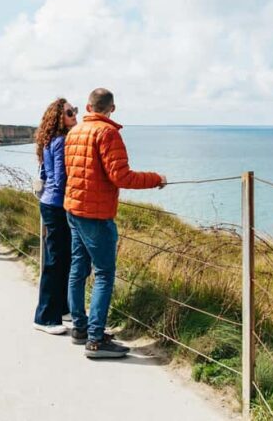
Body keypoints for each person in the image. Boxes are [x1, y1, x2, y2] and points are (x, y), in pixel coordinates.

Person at [65, 88, 166, 359]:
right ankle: (96, 340)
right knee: (104, 274)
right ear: (112, 108)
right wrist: (156, 178)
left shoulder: (74, 132)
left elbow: (72, 171)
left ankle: (80, 328)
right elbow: (121, 176)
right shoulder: (108, 133)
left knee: (78, 269)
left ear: (88, 106)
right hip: (96, 214)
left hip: (74, 209)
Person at [33, 98, 78, 335]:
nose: (74, 116)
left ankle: (61, 308)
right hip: (57, 205)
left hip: (49, 203)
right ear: (59, 117)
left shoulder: (49, 139)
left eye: (75, 111)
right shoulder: (61, 141)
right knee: (56, 262)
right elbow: (61, 179)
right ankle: (45, 317)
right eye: (70, 113)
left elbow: (45, 172)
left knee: (62, 260)